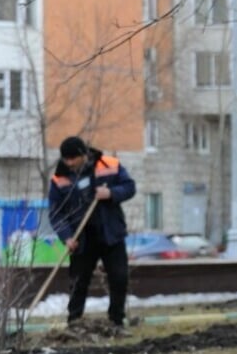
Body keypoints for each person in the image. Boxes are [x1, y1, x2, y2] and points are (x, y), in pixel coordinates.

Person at [47, 136, 136, 333]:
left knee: (119, 278)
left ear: (83, 154)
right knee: (78, 282)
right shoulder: (59, 179)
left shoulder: (109, 165)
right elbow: (56, 213)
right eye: (66, 159)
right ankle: (74, 323)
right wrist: (66, 237)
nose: (69, 163)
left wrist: (111, 193)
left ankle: (116, 322)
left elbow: (130, 187)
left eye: (73, 158)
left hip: (110, 234)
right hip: (81, 240)